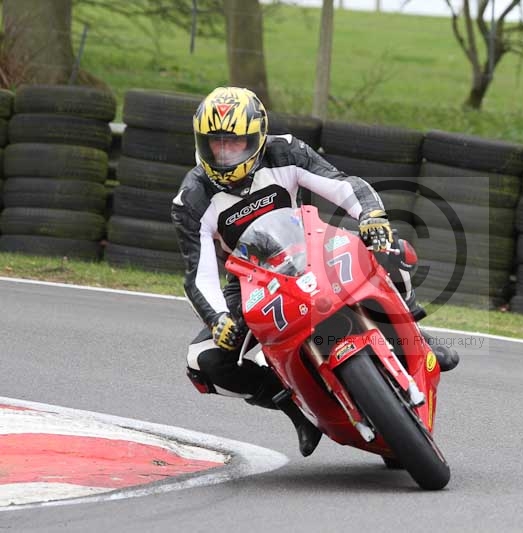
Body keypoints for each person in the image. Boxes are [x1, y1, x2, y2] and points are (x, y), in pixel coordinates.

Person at [171, 86, 458, 458]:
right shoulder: (190, 198)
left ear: (257, 138)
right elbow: (199, 274)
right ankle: (296, 409)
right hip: (250, 281)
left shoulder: (284, 150)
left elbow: (342, 185)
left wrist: (371, 215)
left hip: (311, 247)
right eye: (216, 145)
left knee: (389, 247)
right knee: (204, 361)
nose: (225, 154)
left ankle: (415, 334)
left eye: (236, 144)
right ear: (200, 143)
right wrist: (217, 319)